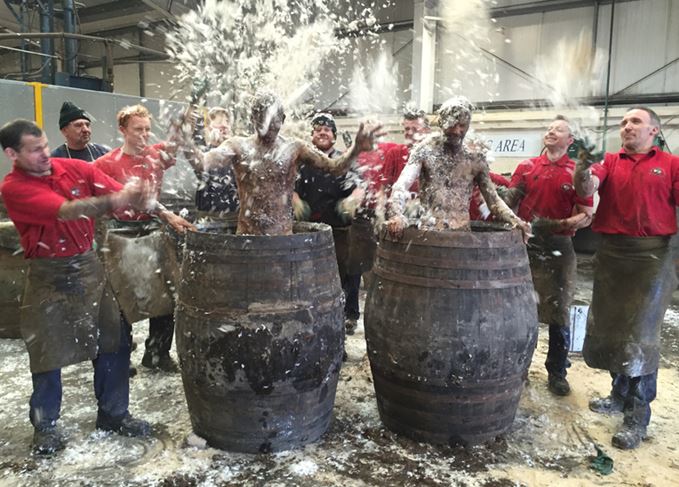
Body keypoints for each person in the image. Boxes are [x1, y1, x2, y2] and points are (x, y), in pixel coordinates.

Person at [0, 119, 153, 455]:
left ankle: (114, 414)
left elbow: (116, 188)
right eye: (34, 150)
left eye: (44, 145)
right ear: (12, 153)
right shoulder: (13, 187)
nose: (44, 154)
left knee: (114, 342)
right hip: (49, 276)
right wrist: (118, 200)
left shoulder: (73, 168)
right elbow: (69, 211)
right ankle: (46, 426)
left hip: (89, 269)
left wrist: (138, 195)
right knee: (46, 353)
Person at [574, 106, 678, 450]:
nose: (626, 127)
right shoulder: (610, 161)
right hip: (613, 254)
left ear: (654, 131)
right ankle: (618, 395)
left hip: (652, 258)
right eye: (623, 122)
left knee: (640, 338)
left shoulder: (672, 164)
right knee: (609, 330)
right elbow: (588, 186)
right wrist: (581, 164)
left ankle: (637, 418)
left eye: (635, 121)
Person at [94, 104, 195, 373]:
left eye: (148, 129)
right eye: (138, 129)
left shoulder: (156, 155)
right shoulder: (105, 164)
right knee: (120, 297)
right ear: (123, 130)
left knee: (168, 293)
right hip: (119, 232)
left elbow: (176, 140)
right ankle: (121, 356)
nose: (144, 135)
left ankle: (157, 353)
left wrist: (186, 115)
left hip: (151, 228)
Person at [202, 91, 384, 236]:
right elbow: (205, 162)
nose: (268, 126)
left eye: (273, 119)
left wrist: (356, 149)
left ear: (283, 119)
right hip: (247, 239)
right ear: (252, 118)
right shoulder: (237, 145)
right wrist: (187, 147)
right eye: (262, 118)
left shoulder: (294, 148)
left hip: (283, 241)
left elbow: (335, 168)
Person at [504, 116, 593, 396]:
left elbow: (587, 214)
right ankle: (518, 368)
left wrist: (566, 224)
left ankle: (557, 372)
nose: (551, 131)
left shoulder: (576, 172)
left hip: (560, 247)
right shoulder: (527, 167)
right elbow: (510, 200)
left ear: (570, 140)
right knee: (520, 310)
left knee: (559, 312)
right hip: (527, 244)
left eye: (558, 129)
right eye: (549, 128)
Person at [386, 96, 530, 240]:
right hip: (429, 234)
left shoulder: (475, 158)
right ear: (442, 122)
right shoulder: (425, 149)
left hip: (462, 235)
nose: (457, 130)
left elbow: (493, 201)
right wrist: (396, 214)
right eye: (452, 124)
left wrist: (515, 221)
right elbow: (401, 185)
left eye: (462, 125)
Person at [293, 113, 363, 335]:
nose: (322, 132)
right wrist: (295, 201)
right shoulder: (301, 164)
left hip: (340, 231)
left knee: (349, 272)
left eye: (327, 129)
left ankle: (349, 316)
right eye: (318, 129)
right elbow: (289, 187)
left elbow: (360, 186)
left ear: (334, 136)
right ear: (311, 136)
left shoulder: (344, 161)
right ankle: (316, 316)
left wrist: (352, 200)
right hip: (310, 233)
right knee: (313, 279)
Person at [188, 107, 239, 218]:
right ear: (208, 129)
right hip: (208, 216)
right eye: (219, 122)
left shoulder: (236, 153)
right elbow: (198, 162)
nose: (224, 126)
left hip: (235, 215)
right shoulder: (203, 152)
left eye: (226, 122)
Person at [381, 108, 431, 196]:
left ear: (427, 131)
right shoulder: (394, 153)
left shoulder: (435, 155)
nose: (410, 132)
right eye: (407, 129)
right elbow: (383, 191)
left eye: (415, 129)